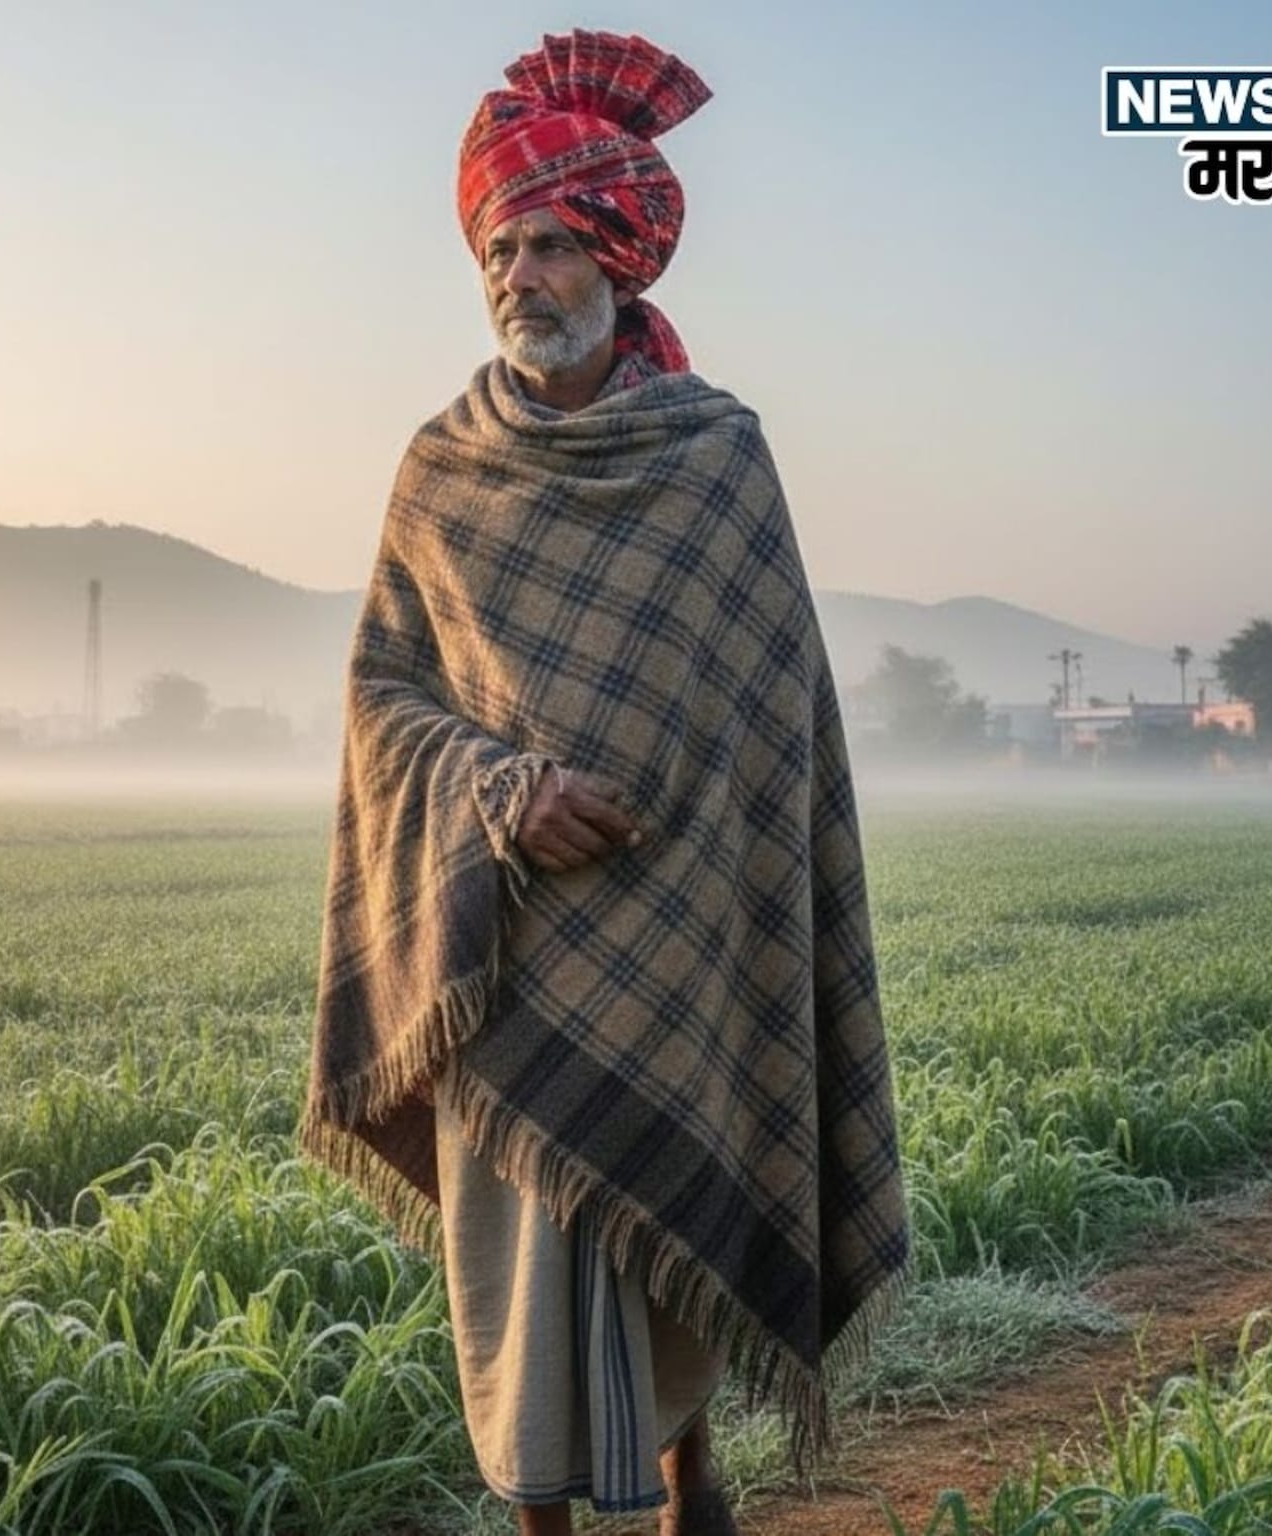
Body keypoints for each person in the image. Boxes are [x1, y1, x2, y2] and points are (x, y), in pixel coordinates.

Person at [301, 30, 909, 1536]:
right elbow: (384, 695)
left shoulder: (716, 459)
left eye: (555, 243)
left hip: (683, 935)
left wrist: (661, 820)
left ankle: (699, 1494)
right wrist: (497, 793)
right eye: (501, 246)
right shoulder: (440, 470)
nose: (523, 274)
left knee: (675, 1258)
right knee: (522, 1307)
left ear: (621, 262)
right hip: (501, 963)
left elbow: (775, 721)